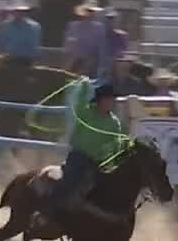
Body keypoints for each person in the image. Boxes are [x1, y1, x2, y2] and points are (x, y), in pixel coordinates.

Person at [38, 80, 131, 226]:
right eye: (109, 99)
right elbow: (79, 104)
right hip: (78, 156)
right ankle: (47, 212)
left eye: (113, 99)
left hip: (97, 161)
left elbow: (116, 143)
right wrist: (83, 87)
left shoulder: (114, 123)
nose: (112, 102)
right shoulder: (86, 112)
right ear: (101, 100)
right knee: (69, 180)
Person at [64, 0, 104, 77]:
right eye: (88, 11)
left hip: (92, 62)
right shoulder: (73, 26)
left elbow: (101, 46)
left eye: (92, 11)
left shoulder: (99, 27)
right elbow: (68, 44)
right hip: (74, 61)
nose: (90, 13)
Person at [0, 0, 41, 67]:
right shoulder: (6, 25)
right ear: (13, 12)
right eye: (16, 11)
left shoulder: (34, 26)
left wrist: (34, 59)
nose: (19, 13)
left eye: (21, 11)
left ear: (25, 12)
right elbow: (2, 42)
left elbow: (34, 45)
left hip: (25, 60)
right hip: (7, 59)